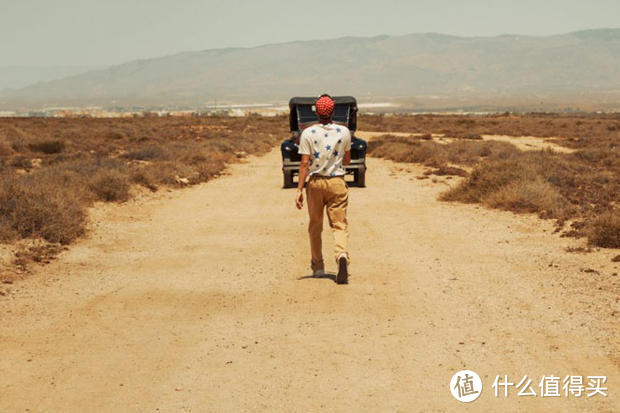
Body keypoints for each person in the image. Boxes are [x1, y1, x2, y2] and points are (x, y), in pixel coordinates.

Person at [295, 94, 351, 284]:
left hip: (316, 183)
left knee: (315, 225)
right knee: (339, 224)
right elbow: (347, 159)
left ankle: (318, 267)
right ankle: (341, 254)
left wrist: (299, 190)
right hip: (337, 182)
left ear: (317, 112)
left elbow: (304, 164)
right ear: (333, 111)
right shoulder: (344, 132)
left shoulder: (308, 134)